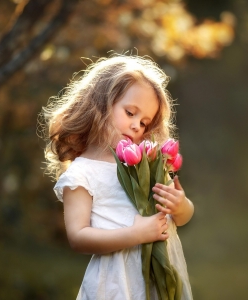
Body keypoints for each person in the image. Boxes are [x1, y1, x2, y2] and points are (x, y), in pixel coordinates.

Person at [41, 54, 194, 300]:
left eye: (145, 122)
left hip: (161, 277)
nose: (137, 126)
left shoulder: (148, 161)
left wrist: (181, 205)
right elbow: (78, 237)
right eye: (130, 112)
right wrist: (136, 235)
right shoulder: (83, 173)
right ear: (100, 104)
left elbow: (182, 218)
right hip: (117, 283)